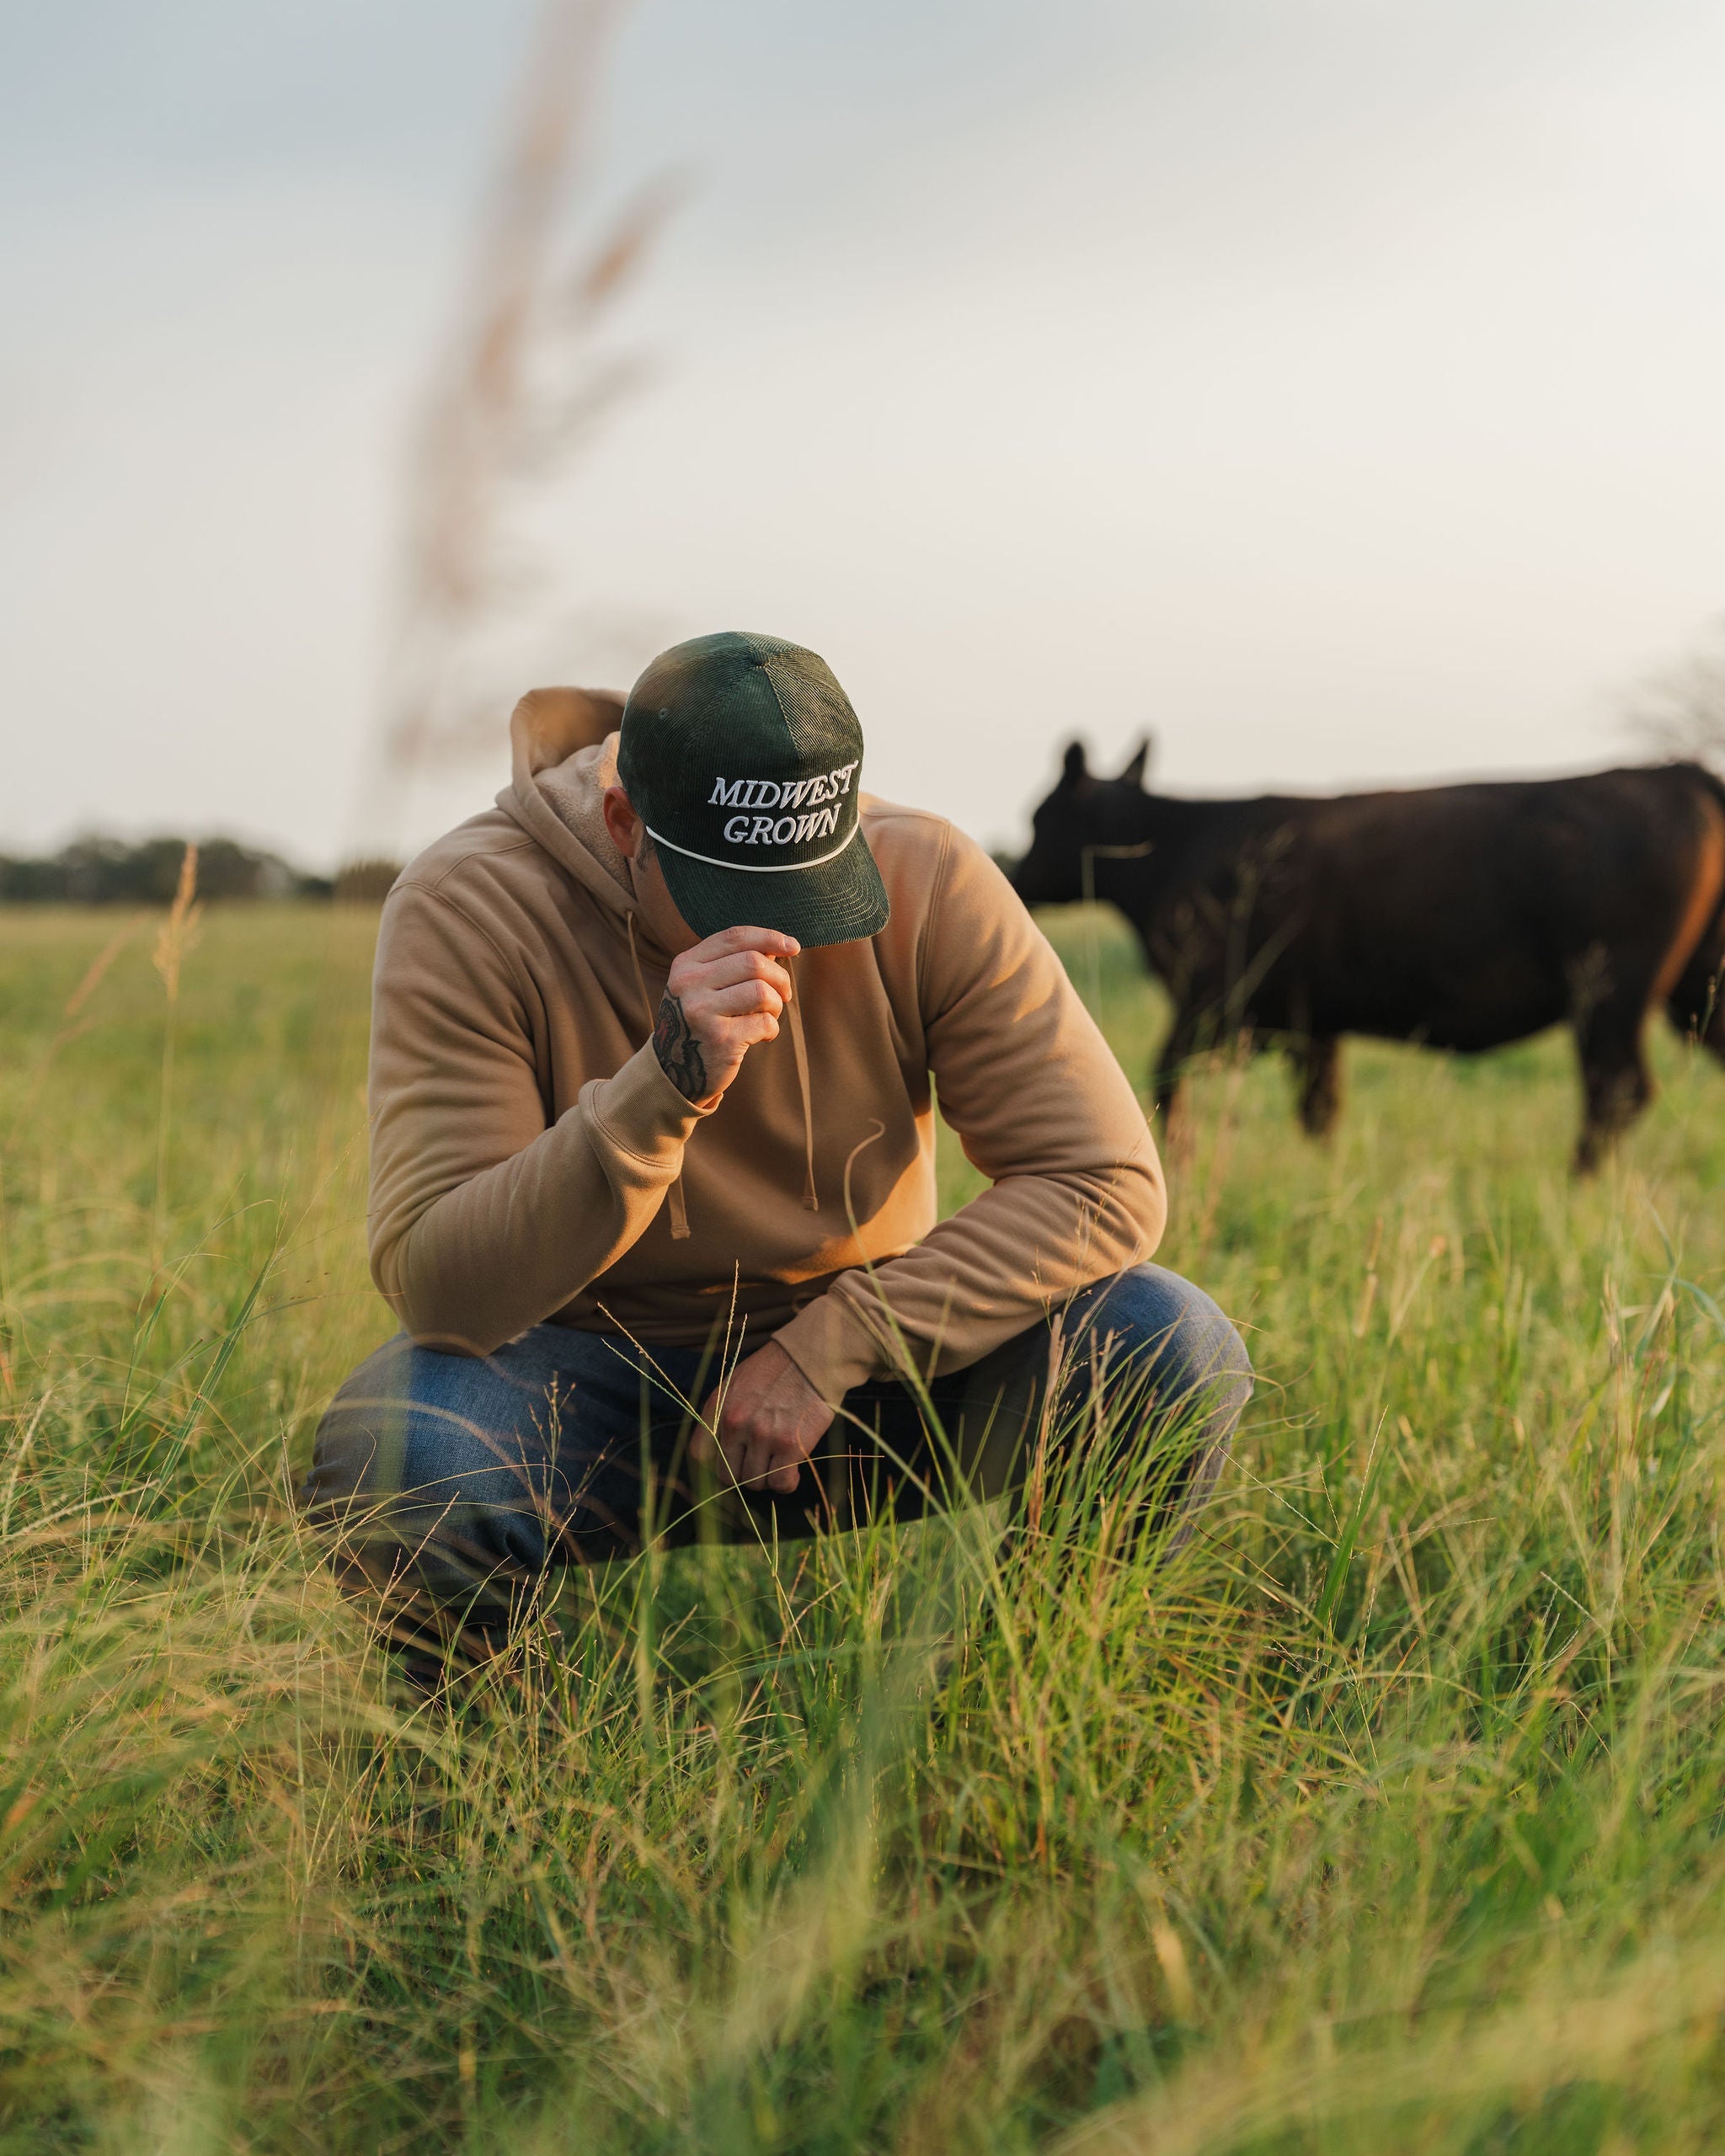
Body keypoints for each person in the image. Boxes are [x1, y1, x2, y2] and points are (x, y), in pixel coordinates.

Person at [305, 632, 1251, 1662]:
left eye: (813, 887)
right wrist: (657, 1089)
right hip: (585, 1381)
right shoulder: (467, 903)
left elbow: (1101, 1180)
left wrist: (829, 1348)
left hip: (865, 1381)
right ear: (625, 822)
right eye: (735, 893)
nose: (790, 931)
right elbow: (444, 1291)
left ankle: (1025, 1705)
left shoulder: (925, 870)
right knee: (397, 1448)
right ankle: (490, 1780)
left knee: (1168, 1339)